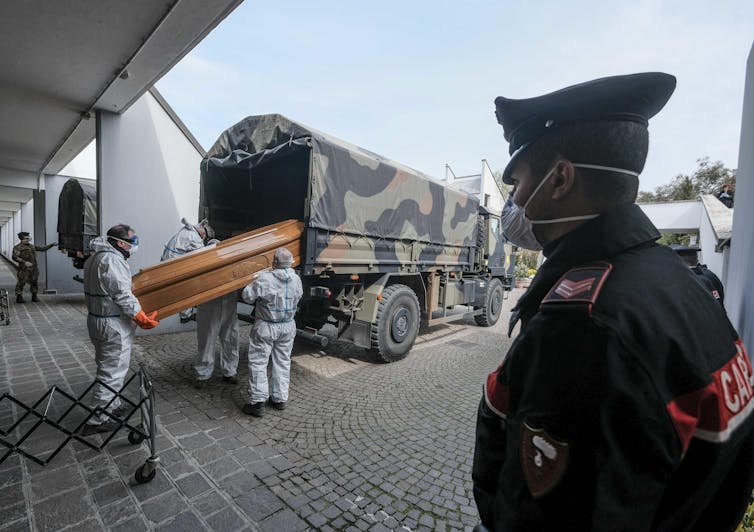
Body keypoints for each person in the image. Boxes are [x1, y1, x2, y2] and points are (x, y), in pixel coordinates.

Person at [472, 73, 754, 531]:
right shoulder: (675, 282)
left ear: (559, 178)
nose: (515, 201)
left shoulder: (588, 328)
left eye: (518, 183)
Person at [82, 224, 159, 435]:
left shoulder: (95, 258)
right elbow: (122, 294)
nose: (134, 246)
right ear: (120, 242)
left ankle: (112, 404)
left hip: (98, 319)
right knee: (112, 371)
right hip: (112, 323)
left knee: (106, 364)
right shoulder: (112, 260)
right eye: (132, 241)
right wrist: (139, 316)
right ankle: (98, 418)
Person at [240, 248, 302, 417]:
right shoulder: (296, 280)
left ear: (274, 262)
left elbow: (247, 296)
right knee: (283, 361)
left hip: (266, 326)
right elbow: (299, 297)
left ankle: (258, 402)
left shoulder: (265, 279)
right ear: (290, 263)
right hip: (288, 326)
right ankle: (280, 398)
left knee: (259, 362)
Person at [162, 217, 215, 322]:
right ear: (204, 234)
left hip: (167, 262)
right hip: (174, 265)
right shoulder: (194, 237)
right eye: (206, 238)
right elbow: (202, 256)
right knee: (187, 288)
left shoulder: (186, 230)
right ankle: (185, 315)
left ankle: (186, 313)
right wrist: (213, 247)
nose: (203, 239)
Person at [194, 289, 240, 389]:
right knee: (206, 340)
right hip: (209, 302)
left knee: (231, 338)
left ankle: (230, 371)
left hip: (229, 302)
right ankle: (203, 373)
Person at [12, 232, 56, 303]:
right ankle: (19, 297)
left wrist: (52, 245)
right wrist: (24, 262)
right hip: (23, 269)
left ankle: (34, 296)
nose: (29, 238)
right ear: (22, 239)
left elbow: (42, 249)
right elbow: (15, 257)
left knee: (34, 282)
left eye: (28, 237)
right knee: (21, 282)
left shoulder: (31, 246)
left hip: (34, 268)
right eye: (27, 238)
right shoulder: (18, 247)